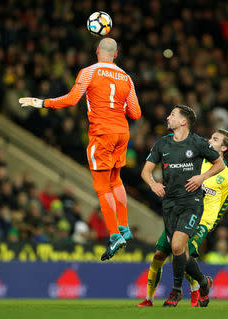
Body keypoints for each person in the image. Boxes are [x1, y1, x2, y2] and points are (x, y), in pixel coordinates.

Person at [19, 38, 141, 261]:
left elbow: (71, 99)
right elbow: (136, 113)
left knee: (102, 186)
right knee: (116, 180)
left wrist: (41, 103)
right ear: (115, 55)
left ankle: (115, 235)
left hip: (102, 133)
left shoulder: (89, 72)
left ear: (97, 52)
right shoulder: (126, 77)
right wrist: (118, 106)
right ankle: (124, 227)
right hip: (122, 133)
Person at [137, 129, 228, 307]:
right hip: (180, 213)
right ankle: (150, 298)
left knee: (181, 250)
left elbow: (222, 205)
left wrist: (209, 225)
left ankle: (186, 290)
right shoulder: (196, 160)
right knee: (159, 254)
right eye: (210, 136)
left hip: (202, 221)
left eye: (215, 139)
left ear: (224, 147)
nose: (209, 140)